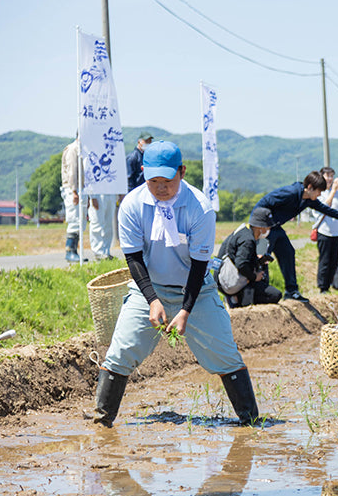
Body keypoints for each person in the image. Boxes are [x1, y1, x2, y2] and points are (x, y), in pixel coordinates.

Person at [90, 141, 260, 427]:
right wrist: (153, 299)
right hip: (148, 288)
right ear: (143, 172)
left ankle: (251, 422)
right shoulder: (132, 205)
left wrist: (185, 310)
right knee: (119, 353)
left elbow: (199, 266)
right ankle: (101, 422)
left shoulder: (199, 208)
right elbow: (133, 259)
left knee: (225, 355)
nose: (160, 188)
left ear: (182, 171)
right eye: (152, 180)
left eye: (167, 180)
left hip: (196, 290)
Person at [254, 172, 338, 302]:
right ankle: (262, 294)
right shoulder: (290, 192)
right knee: (262, 257)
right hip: (264, 227)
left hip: (275, 227)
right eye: (319, 192)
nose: (319, 195)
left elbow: (326, 209)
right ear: (310, 187)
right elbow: (264, 203)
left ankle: (292, 291)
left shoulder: (308, 200)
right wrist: (260, 226)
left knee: (288, 252)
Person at [215, 207, 281, 308]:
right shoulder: (248, 240)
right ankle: (237, 300)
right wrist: (255, 276)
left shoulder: (243, 231)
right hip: (229, 281)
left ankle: (238, 298)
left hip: (221, 277)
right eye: (268, 227)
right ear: (261, 227)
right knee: (275, 295)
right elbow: (241, 264)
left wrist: (258, 261)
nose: (269, 230)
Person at [315, 172, 338, 294]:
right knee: (324, 260)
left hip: (337, 232)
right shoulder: (320, 193)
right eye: (327, 176)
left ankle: (329, 284)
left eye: (332, 176)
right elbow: (325, 206)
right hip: (324, 231)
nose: (330, 179)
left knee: (333, 260)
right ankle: (322, 287)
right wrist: (333, 190)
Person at [61, 137, 87, 263]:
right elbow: (72, 172)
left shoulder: (82, 149)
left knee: (81, 222)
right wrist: (74, 191)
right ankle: (69, 251)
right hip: (73, 189)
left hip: (80, 189)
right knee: (74, 220)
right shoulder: (73, 149)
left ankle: (75, 251)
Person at [87, 190, 116, 260]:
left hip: (111, 193)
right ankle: (98, 252)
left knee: (109, 225)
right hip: (98, 194)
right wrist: (92, 197)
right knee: (97, 224)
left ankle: (106, 251)